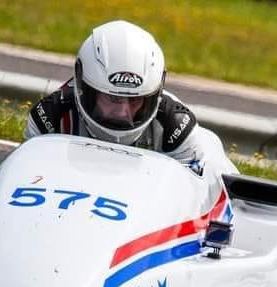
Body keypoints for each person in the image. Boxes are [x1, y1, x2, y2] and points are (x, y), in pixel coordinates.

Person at [24, 20, 236, 176]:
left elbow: (191, 203)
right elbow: (28, 181)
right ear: (83, 88)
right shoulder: (50, 119)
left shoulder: (176, 129)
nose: (122, 113)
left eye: (135, 101)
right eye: (113, 99)